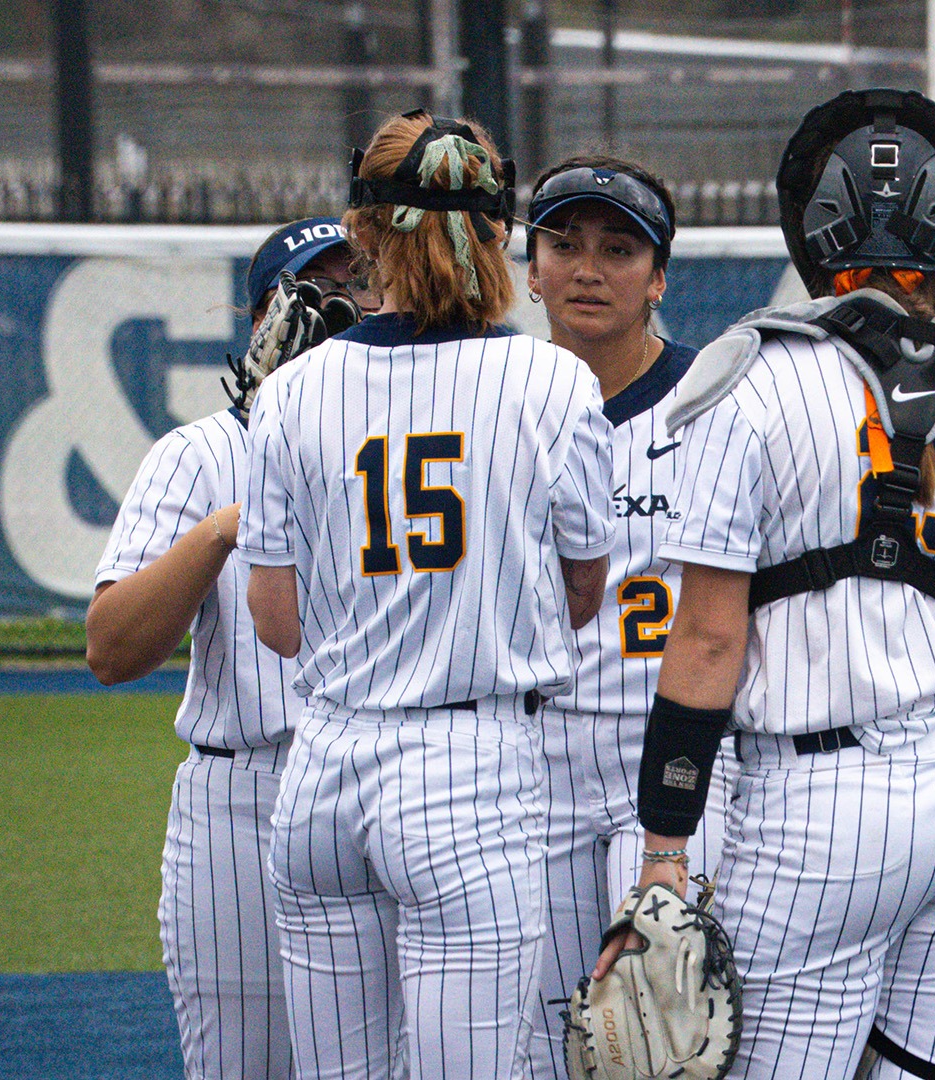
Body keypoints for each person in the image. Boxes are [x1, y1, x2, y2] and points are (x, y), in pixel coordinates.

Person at [592, 87, 935, 1080]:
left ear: (817, 232)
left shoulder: (751, 381)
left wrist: (666, 843)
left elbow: (705, 641)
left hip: (819, 805)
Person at [237, 109, 616, 1079]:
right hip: (469, 763)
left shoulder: (292, 390)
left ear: (364, 232)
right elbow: (582, 593)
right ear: (499, 235)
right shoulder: (552, 380)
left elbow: (275, 624)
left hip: (323, 766)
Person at [86, 215, 373, 1080]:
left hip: (380, 780)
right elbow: (110, 650)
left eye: (359, 282)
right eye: (315, 287)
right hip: (242, 794)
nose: (340, 302)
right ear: (262, 321)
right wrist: (222, 530)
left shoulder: (411, 444)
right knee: (241, 1067)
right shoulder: (199, 455)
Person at [515, 153, 735, 1080]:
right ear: (530, 268)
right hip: (534, 758)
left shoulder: (719, 403)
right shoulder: (498, 402)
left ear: (659, 277)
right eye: (563, 245)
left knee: (667, 1025)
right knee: (549, 1031)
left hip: (675, 755)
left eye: (617, 248)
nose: (587, 268)